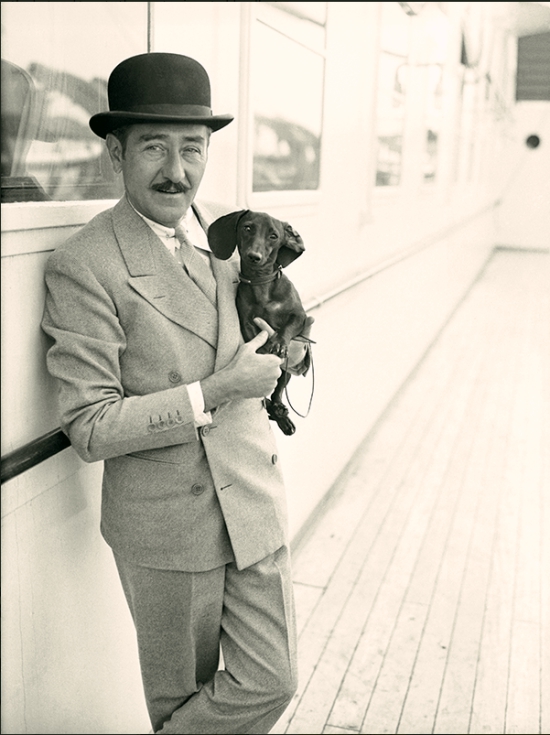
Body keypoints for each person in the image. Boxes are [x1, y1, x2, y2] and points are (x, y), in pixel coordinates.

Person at [41, 52, 313, 735]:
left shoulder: (229, 238)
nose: (176, 169)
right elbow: (90, 424)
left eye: (192, 147)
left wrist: (296, 347)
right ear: (116, 153)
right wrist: (216, 390)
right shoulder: (86, 264)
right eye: (154, 147)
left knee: (273, 678)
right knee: (179, 701)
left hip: (252, 502)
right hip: (169, 527)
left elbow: (268, 318)